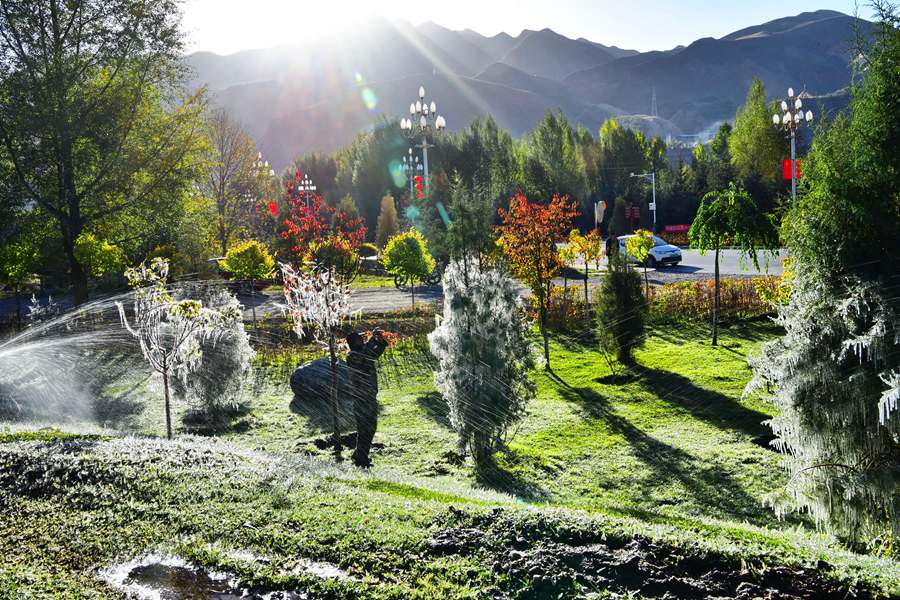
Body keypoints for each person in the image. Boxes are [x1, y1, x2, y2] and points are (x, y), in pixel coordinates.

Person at [346, 329, 389, 467]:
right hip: (361, 400)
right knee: (365, 429)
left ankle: (359, 454)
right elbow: (367, 354)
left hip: (369, 398)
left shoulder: (363, 352)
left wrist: (380, 341)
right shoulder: (353, 356)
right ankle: (361, 458)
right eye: (360, 338)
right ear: (353, 342)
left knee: (370, 428)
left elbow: (374, 354)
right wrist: (373, 339)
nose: (362, 339)